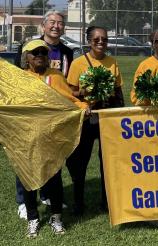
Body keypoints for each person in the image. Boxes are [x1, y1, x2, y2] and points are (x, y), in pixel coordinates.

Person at [19, 39, 88, 238]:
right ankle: (32, 218)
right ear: (27, 57)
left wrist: (84, 107)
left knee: (54, 178)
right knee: (29, 178)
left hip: (52, 138)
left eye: (43, 52)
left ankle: (56, 217)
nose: (40, 55)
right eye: (35, 52)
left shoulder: (55, 76)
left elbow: (72, 100)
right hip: (27, 138)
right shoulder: (20, 79)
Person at [14, 10, 73, 219]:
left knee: (51, 160)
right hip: (29, 119)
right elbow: (16, 77)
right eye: (52, 22)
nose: (56, 26)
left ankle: (48, 195)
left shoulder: (67, 51)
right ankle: (23, 201)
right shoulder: (31, 46)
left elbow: (67, 84)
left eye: (60, 22)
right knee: (26, 159)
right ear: (44, 25)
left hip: (54, 117)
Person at [66, 26, 124, 215]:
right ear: (89, 41)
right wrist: (86, 93)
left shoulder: (112, 62)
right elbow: (70, 92)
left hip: (106, 117)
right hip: (86, 117)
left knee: (106, 161)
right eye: (96, 39)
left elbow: (117, 92)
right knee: (80, 162)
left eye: (104, 39)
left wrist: (119, 114)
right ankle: (78, 202)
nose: (101, 42)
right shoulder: (78, 63)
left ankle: (106, 202)